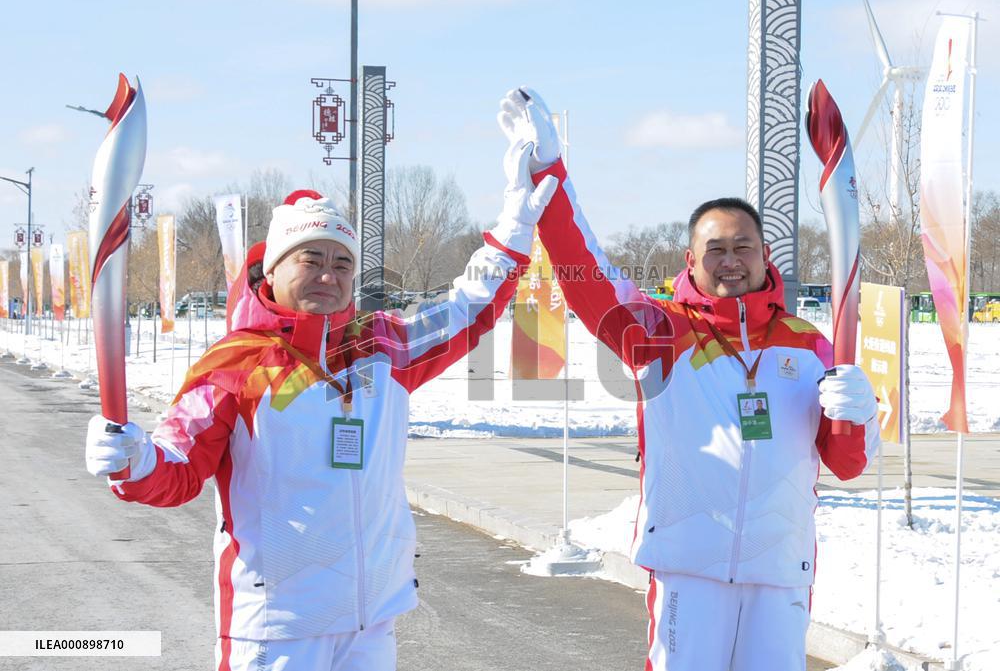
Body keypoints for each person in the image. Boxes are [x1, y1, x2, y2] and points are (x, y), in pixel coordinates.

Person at [84, 140, 558, 671]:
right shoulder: (237, 365)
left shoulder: (383, 347)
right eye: (311, 260)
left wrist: (516, 223)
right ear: (273, 270)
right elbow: (178, 464)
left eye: (342, 263)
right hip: (278, 626)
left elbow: (470, 308)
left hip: (370, 620)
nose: (329, 276)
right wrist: (135, 460)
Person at [497, 87, 879, 671]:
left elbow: (848, 463)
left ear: (765, 253)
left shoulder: (811, 345)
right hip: (688, 570)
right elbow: (585, 275)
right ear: (690, 258)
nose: (730, 259)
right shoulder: (660, 332)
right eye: (715, 248)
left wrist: (860, 413)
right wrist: (553, 174)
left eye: (743, 246)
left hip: (780, 571)